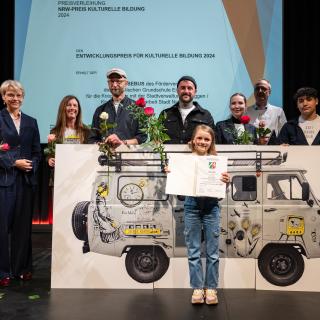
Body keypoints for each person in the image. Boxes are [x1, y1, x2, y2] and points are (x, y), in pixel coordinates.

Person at [166, 124, 229, 305]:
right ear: (193, 140)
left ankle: (211, 288)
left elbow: (220, 191)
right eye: (199, 138)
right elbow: (179, 191)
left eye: (206, 139)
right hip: (191, 206)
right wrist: (172, 175)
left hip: (211, 207)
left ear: (211, 142)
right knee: (193, 251)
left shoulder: (217, 161)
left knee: (212, 252)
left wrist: (226, 181)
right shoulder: (183, 162)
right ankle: (197, 288)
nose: (202, 142)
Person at [0, 80, 41, 286]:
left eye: (18, 95)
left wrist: (31, 164)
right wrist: (13, 162)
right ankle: (3, 272)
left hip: (25, 182)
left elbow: (37, 152)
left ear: (23, 98)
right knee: (2, 228)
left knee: (23, 228)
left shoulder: (31, 121)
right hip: (4, 181)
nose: (15, 99)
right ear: (3, 97)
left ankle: (22, 269)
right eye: (10, 95)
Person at [89, 68, 146, 146]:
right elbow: (93, 138)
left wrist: (123, 143)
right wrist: (104, 145)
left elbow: (142, 137)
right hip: (106, 156)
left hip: (129, 156)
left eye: (118, 81)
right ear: (108, 84)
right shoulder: (100, 110)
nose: (114, 85)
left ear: (126, 83)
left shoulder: (137, 108)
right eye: (112, 81)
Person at [160, 76, 214, 144]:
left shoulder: (205, 115)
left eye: (189, 88)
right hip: (169, 154)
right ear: (177, 91)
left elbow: (213, 140)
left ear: (195, 91)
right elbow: (156, 139)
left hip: (196, 154)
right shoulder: (165, 114)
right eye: (183, 88)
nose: (186, 91)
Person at [47, 95, 91, 168]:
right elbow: (50, 154)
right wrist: (49, 159)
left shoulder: (86, 131)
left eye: (75, 105)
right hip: (62, 172)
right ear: (63, 108)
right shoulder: (55, 131)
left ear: (78, 109)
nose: (72, 108)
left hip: (81, 172)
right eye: (69, 105)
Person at [245, 79, 287, 144]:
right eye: (257, 89)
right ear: (254, 93)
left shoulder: (278, 111)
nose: (260, 91)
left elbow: (284, 133)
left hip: (272, 150)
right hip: (251, 149)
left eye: (263, 88)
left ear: (269, 92)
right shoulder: (246, 111)